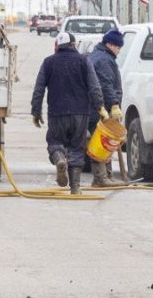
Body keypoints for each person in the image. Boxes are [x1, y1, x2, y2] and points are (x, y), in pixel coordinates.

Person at [31, 32, 106, 195]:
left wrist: (36, 111)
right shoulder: (84, 61)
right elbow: (94, 86)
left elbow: (39, 89)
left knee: (55, 142)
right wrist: (100, 107)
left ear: (58, 45)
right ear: (73, 45)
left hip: (57, 112)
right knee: (77, 148)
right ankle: (75, 187)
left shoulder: (48, 62)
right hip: (80, 113)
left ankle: (59, 159)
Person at [87, 29, 126, 187]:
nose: (119, 50)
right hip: (100, 107)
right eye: (118, 47)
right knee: (102, 142)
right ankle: (101, 178)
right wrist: (114, 104)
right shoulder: (104, 60)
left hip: (95, 105)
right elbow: (106, 84)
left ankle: (106, 176)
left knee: (105, 141)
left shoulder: (99, 55)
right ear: (110, 45)